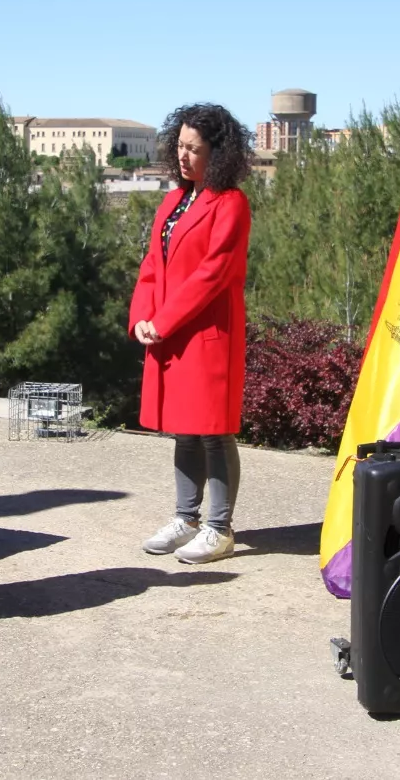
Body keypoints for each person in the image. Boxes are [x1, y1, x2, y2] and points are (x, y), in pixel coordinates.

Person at [129, 103, 253, 565]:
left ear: (217, 153)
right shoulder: (174, 200)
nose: (183, 156)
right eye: (179, 145)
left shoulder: (231, 204)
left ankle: (219, 529)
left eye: (194, 149)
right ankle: (187, 518)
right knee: (184, 430)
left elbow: (212, 274)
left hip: (205, 335)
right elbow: (151, 267)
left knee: (214, 433)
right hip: (171, 333)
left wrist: (162, 322)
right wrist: (142, 316)